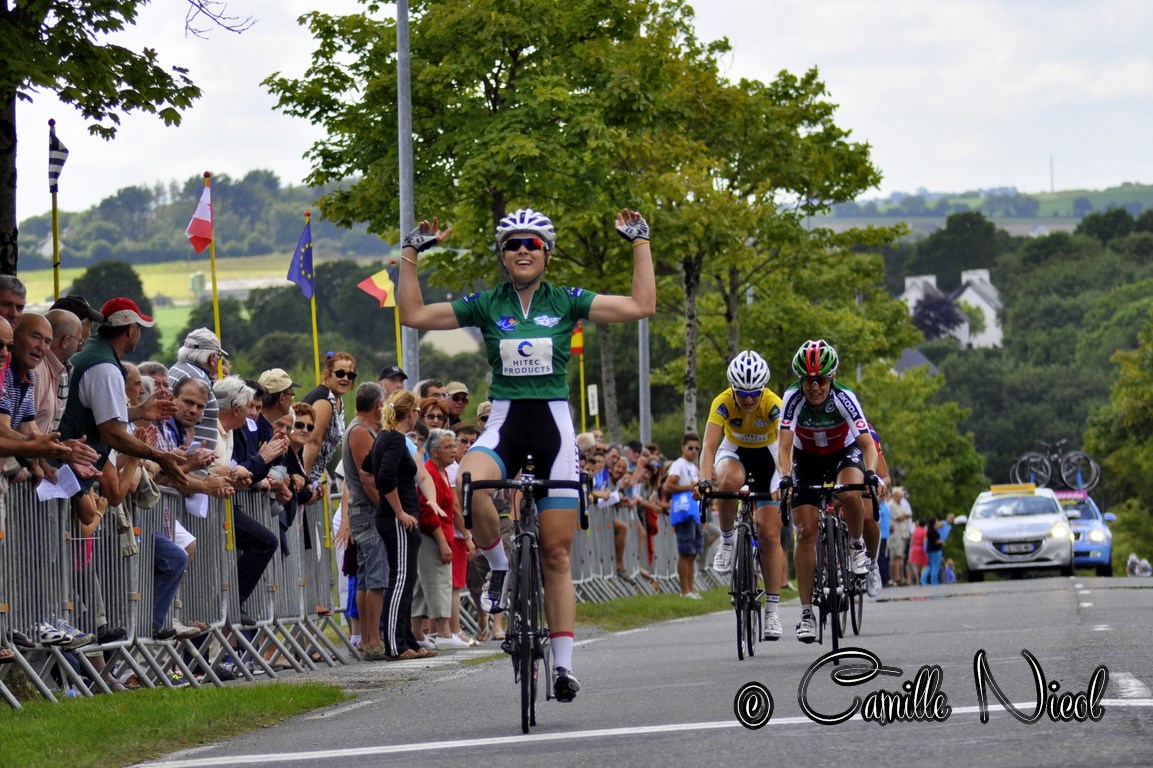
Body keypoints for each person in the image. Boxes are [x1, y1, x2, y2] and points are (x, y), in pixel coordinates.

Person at [398, 206, 654, 701]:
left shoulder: (567, 300)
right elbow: (412, 315)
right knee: (467, 483)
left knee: (557, 555)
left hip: (554, 427)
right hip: (507, 425)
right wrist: (410, 253)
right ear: (502, 253)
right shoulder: (488, 303)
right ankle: (498, 566)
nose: (522, 249)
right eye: (513, 242)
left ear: (547, 253)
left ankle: (563, 666)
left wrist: (639, 243)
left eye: (532, 243)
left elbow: (642, 304)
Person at [774, 339, 885, 643]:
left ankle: (856, 545)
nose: (814, 387)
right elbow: (783, 447)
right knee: (806, 531)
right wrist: (784, 476)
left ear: (831, 378)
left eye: (821, 380)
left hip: (842, 452)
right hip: (806, 458)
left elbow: (866, 444)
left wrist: (872, 472)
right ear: (801, 380)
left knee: (851, 493)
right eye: (809, 380)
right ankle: (807, 614)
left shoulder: (844, 397)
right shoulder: (792, 399)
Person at [698, 350, 785, 639]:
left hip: (770, 457)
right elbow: (709, 447)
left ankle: (772, 610)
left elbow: (785, 449)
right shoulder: (722, 402)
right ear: (733, 389)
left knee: (769, 532)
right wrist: (703, 480)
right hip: (734, 451)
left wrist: (785, 479)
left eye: (754, 393)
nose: (748, 400)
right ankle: (727, 540)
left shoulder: (774, 404)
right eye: (742, 393)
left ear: (763, 390)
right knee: (726, 481)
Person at [367, 390, 446, 660]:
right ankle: (393, 643)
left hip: (401, 518)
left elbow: (370, 465)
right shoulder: (393, 440)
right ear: (410, 414)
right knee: (399, 580)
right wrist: (399, 510)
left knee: (406, 579)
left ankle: (406, 639)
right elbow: (385, 476)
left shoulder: (388, 438)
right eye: (417, 413)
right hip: (397, 520)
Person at [338, 382, 389, 660]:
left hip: (364, 511)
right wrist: (386, 507)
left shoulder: (365, 429)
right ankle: (372, 639)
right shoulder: (360, 431)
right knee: (375, 578)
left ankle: (368, 639)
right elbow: (368, 477)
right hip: (368, 511)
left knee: (368, 576)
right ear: (378, 405)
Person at [168, 328, 229, 453]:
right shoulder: (199, 379)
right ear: (212, 358)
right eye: (218, 356)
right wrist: (191, 455)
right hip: (190, 462)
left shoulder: (176, 368)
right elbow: (190, 427)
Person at [302, 351, 356, 486]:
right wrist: (305, 481)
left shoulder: (337, 399)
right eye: (340, 373)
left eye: (350, 375)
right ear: (328, 374)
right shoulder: (325, 401)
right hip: (301, 473)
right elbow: (311, 443)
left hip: (316, 475)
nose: (345, 378)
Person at [665, 433, 703, 599]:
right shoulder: (678, 465)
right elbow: (668, 485)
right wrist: (689, 487)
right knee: (685, 551)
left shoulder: (694, 467)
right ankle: (684, 590)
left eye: (697, 448)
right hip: (683, 511)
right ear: (683, 447)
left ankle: (691, 589)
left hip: (693, 512)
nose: (694, 451)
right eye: (690, 448)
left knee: (693, 552)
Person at [888, 486, 912, 586]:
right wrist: (905, 516)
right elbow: (900, 517)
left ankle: (900, 577)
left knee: (901, 556)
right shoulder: (891, 505)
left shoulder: (901, 504)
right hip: (895, 534)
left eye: (901, 496)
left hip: (903, 534)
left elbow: (908, 514)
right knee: (896, 556)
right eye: (898, 496)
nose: (900, 498)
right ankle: (896, 577)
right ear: (894, 495)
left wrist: (905, 516)